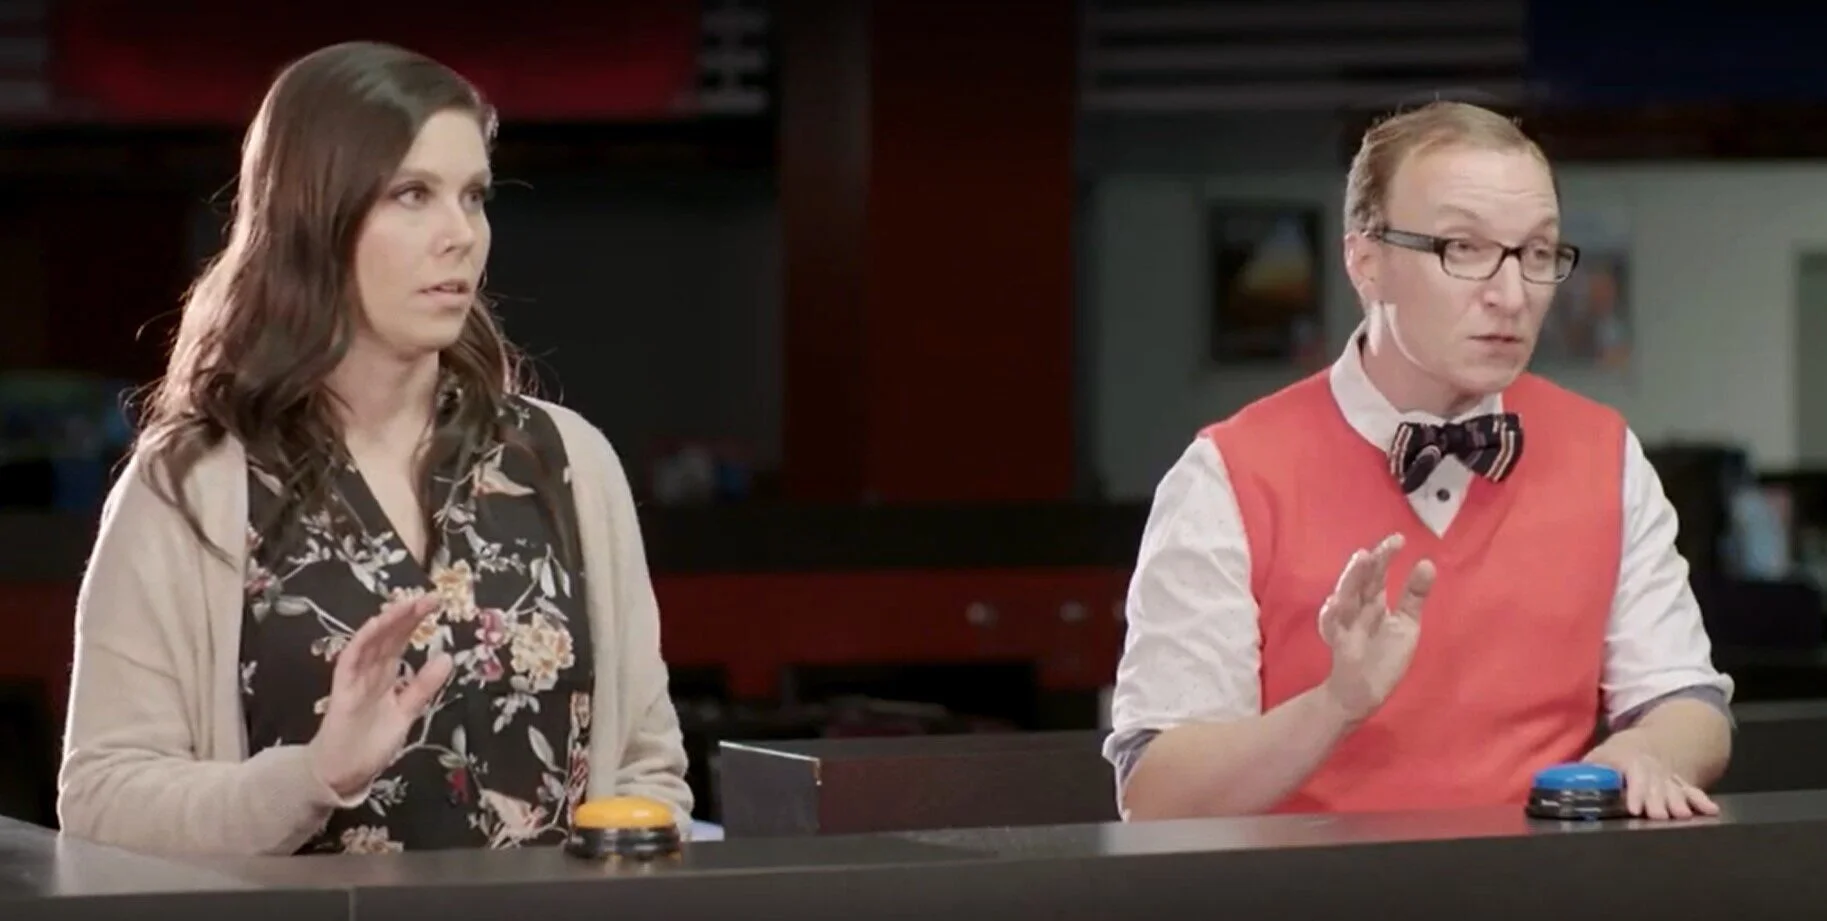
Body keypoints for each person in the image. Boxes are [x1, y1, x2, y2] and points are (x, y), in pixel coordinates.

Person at [56, 41, 692, 856]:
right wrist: (312, 774)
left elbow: (645, 769)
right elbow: (103, 800)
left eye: (473, 196)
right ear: (314, 219)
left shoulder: (566, 462)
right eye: (412, 195)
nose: (461, 235)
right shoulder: (193, 483)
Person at [1104, 101, 1733, 824]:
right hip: (1304, 885)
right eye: (1461, 248)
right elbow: (1155, 794)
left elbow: (1687, 699)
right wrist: (1334, 706)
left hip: (1549, 879)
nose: (1510, 295)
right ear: (1366, 263)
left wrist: (1648, 750)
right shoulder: (1227, 475)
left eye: (1536, 253)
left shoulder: (1606, 453)